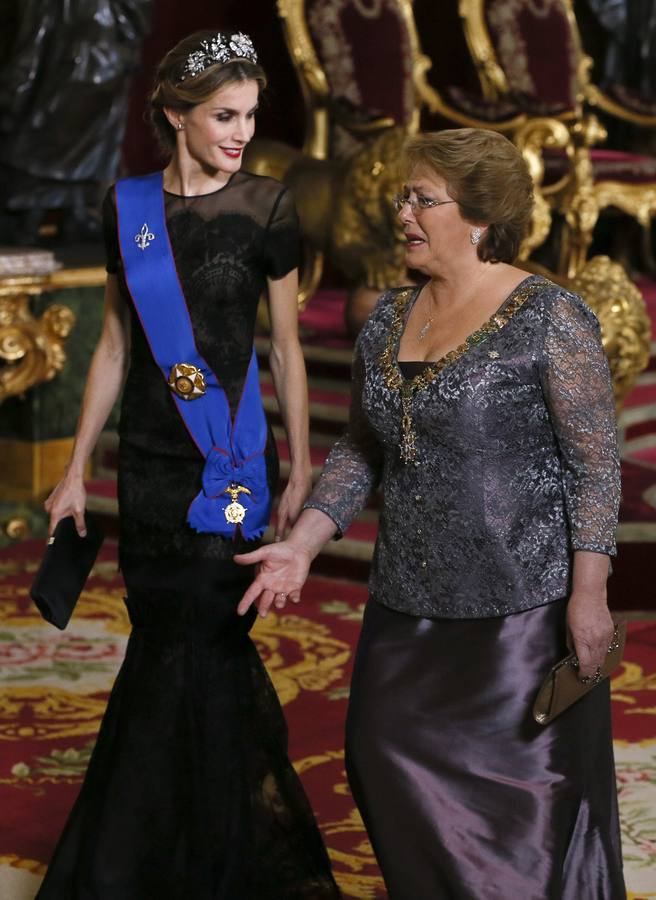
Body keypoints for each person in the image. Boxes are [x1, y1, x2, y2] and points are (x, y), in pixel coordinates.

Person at [236, 128, 626, 899]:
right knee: (380, 758)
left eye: (422, 199)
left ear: (478, 218)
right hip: (407, 606)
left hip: (520, 615)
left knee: (528, 819)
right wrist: (305, 544)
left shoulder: (551, 318)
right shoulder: (387, 317)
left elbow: (595, 465)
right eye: (402, 197)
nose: (402, 213)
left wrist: (589, 595)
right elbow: (359, 449)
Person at [38, 30, 340, 900]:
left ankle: (199, 863)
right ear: (174, 115)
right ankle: (175, 851)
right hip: (151, 465)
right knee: (161, 640)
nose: (242, 132)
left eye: (249, 115)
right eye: (223, 116)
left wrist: (301, 465)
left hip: (231, 459)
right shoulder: (123, 206)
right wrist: (73, 471)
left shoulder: (267, 207)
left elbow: (284, 348)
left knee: (209, 642)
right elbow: (114, 347)